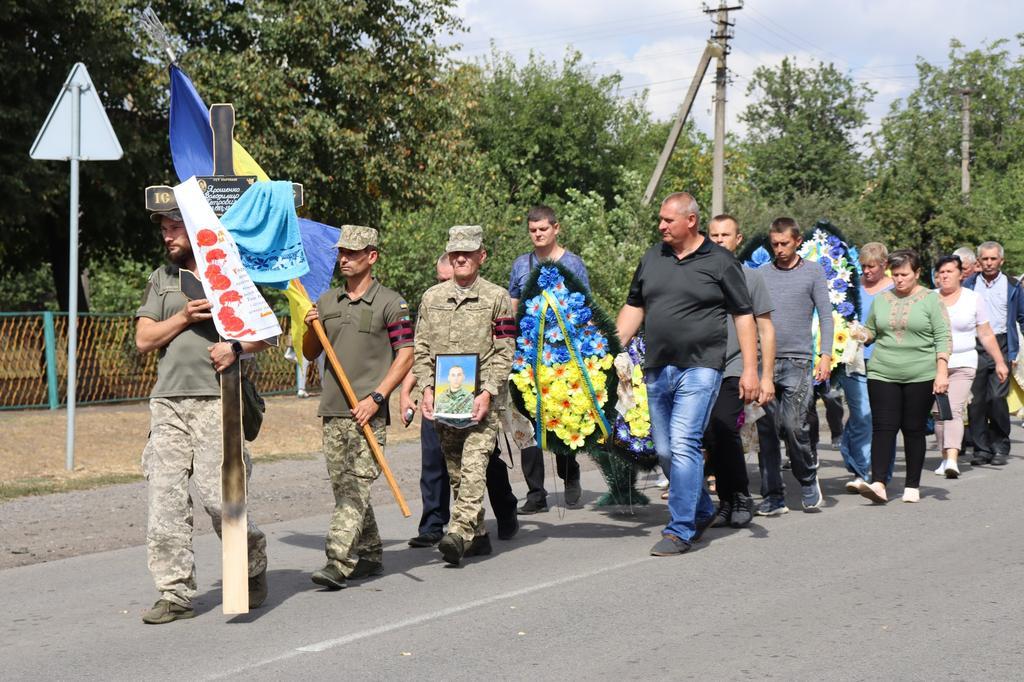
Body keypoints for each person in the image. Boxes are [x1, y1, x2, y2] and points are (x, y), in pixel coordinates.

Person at [135, 209, 270, 624]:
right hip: (168, 402)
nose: (167, 237)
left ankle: (250, 561)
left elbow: (266, 332)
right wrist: (182, 317)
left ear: (194, 230)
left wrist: (234, 347)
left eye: (174, 228)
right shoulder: (163, 279)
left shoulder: (228, 271)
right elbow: (143, 340)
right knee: (166, 498)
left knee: (220, 498)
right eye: (163, 230)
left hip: (219, 399)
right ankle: (174, 593)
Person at [616, 193, 759, 557]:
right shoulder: (652, 258)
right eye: (660, 220)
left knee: (683, 443)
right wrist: (610, 350)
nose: (661, 226)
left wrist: (752, 371)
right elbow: (635, 305)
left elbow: (744, 315)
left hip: (702, 367)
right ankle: (702, 509)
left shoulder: (721, 261)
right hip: (657, 368)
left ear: (691, 221)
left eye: (668, 220)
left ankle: (680, 529)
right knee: (664, 449)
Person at [301, 225, 414, 590]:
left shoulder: (391, 303)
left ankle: (338, 560)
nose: (344, 258)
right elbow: (309, 353)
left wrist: (377, 397)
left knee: (355, 488)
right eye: (341, 252)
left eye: (352, 252)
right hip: (333, 410)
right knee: (344, 488)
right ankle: (370, 553)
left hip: (369, 413)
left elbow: (406, 355)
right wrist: (309, 328)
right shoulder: (327, 301)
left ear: (372, 256)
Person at [413, 226, 516, 566]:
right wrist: (426, 389)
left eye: (467, 253)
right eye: (455, 252)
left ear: (481, 256)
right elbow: (421, 348)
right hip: (445, 400)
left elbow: (504, 351)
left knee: (474, 467)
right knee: (456, 471)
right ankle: (479, 536)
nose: (460, 258)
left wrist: (487, 391)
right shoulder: (431, 298)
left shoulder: (497, 297)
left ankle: (457, 532)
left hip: (482, 402)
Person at [509, 205, 591, 511]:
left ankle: (570, 475)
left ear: (556, 228)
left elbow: (584, 307)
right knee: (526, 424)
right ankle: (536, 494)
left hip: (562, 355)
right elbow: (513, 305)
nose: (538, 234)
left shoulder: (572, 263)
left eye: (543, 229)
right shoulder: (521, 265)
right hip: (527, 354)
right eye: (532, 230)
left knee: (559, 421)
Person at [858, 249, 951, 504]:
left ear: (917, 273)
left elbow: (943, 336)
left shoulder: (931, 300)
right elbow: (872, 330)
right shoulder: (882, 299)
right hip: (883, 371)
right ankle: (878, 483)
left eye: (904, 274)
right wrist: (862, 335)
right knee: (883, 428)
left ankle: (912, 484)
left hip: (920, 373)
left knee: (913, 429)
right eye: (895, 274)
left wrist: (941, 371)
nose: (899, 279)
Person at [755, 218, 834, 515]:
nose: (779, 249)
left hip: (798, 361)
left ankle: (808, 477)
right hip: (765, 362)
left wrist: (825, 355)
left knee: (793, 425)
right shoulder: (761, 274)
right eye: (774, 244)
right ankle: (773, 494)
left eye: (784, 243)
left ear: (798, 241)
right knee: (765, 429)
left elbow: (826, 316)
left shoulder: (813, 271)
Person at [704, 214, 777, 529]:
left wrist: (765, 376)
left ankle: (741, 496)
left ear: (738, 239)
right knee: (709, 434)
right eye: (714, 235)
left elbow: (766, 329)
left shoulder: (751, 278)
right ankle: (725, 501)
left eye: (725, 235)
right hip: (702, 366)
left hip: (736, 365)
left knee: (724, 425)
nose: (719, 240)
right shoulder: (700, 276)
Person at [933, 255, 1009, 477]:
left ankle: (953, 460)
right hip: (935, 364)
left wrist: (999, 361)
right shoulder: (930, 298)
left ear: (960, 274)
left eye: (950, 271)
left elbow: (984, 333)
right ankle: (944, 456)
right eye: (942, 272)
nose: (945, 275)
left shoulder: (972, 298)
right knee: (939, 413)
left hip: (964, 361)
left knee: (954, 410)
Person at [963, 241, 1024, 466]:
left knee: (997, 397)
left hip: (1002, 344)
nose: (989, 263)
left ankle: (1000, 444)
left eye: (993, 259)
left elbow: (1022, 317)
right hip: (974, 345)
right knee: (976, 400)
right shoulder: (968, 285)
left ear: (1001, 261)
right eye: (985, 259)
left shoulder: (1013, 286)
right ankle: (981, 448)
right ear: (979, 261)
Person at [838, 242, 893, 492]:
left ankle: (882, 472)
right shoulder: (850, 287)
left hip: (885, 360)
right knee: (862, 414)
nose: (867, 271)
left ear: (884, 266)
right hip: (854, 359)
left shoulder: (894, 290)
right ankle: (861, 470)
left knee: (882, 418)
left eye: (872, 267)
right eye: (863, 267)